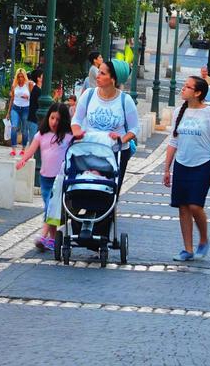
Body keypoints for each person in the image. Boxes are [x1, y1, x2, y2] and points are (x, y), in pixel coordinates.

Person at [163, 76, 210, 262]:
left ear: (197, 93)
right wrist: (167, 168)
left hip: (202, 165)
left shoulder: (209, 113)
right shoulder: (179, 112)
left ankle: (203, 239)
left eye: (187, 87)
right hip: (182, 163)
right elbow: (173, 141)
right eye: (184, 86)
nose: (183, 89)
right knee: (183, 207)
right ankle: (187, 249)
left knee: (195, 205)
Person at [71, 59, 139, 194]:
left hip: (115, 152)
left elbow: (134, 129)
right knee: (84, 186)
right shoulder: (88, 95)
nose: (98, 76)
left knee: (109, 192)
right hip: (89, 150)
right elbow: (76, 120)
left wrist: (122, 139)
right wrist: (77, 133)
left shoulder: (125, 100)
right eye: (98, 72)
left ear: (113, 79)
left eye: (102, 73)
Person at [17, 102, 73, 250]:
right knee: (50, 209)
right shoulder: (41, 134)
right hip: (45, 179)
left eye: (58, 120)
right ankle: (53, 240)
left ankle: (43, 236)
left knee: (50, 207)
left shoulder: (68, 136)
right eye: (52, 118)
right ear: (48, 117)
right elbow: (31, 149)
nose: (54, 122)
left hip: (59, 179)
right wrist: (23, 160)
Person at [7, 68, 31, 156]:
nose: (20, 78)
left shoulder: (29, 85)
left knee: (25, 130)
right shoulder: (14, 85)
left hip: (26, 109)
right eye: (19, 76)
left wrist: (28, 97)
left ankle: (24, 149)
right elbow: (12, 99)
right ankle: (13, 148)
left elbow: (33, 97)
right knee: (14, 127)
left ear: (24, 77)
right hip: (15, 108)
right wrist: (8, 112)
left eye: (22, 77)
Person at [26, 68, 43, 143]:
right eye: (43, 76)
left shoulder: (38, 89)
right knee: (33, 142)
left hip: (34, 119)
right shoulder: (37, 90)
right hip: (34, 119)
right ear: (38, 78)